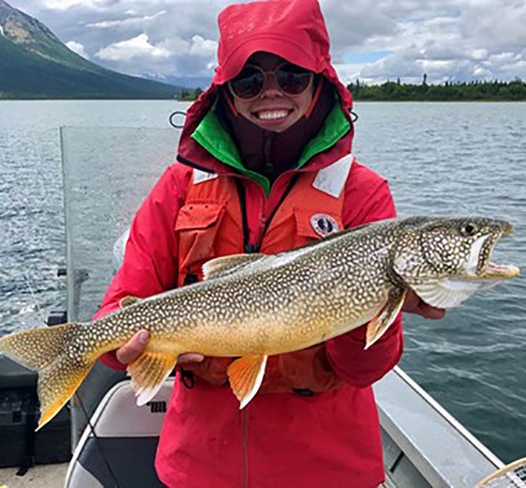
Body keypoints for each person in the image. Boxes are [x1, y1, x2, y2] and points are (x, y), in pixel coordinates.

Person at [94, 0, 444, 486]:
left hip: (328, 467)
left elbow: (365, 370)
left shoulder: (362, 192)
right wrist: (118, 350)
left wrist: (373, 304)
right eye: (250, 80)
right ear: (227, 93)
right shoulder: (179, 187)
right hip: (200, 464)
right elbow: (117, 311)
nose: (271, 93)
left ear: (321, 81)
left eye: (293, 76)